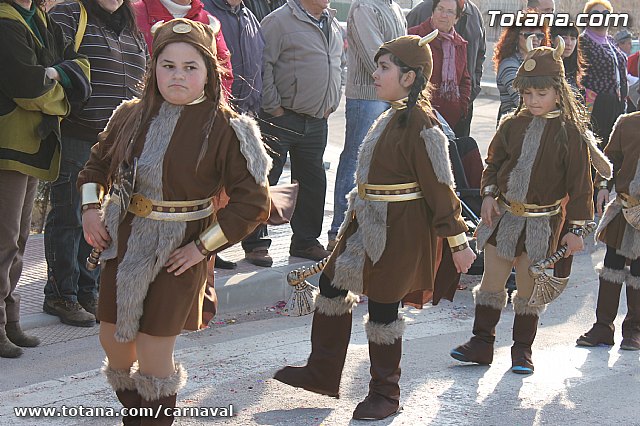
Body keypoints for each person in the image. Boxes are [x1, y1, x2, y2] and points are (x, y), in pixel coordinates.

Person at [273, 33, 476, 420]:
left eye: (385, 68)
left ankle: (386, 392)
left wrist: (458, 241)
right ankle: (322, 371)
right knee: (332, 286)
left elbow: (440, 185)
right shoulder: (391, 115)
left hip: (401, 232)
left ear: (410, 77)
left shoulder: (422, 122)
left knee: (385, 307)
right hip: (366, 225)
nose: (375, 73)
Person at [78, 18, 270, 423]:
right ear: (154, 69)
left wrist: (202, 247)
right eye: (168, 65)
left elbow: (253, 202)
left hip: (181, 250)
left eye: (190, 67)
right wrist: (91, 210)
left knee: (153, 349)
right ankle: (140, 415)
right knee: (113, 342)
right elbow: (95, 169)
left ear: (208, 73)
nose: (178, 75)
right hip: (124, 241)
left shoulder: (227, 128)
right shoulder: (130, 114)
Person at [450, 38, 612, 375]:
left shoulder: (570, 133)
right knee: (492, 282)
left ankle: (522, 350)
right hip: (506, 218)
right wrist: (490, 195)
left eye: (541, 94)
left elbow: (580, 188)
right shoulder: (512, 124)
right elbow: (492, 165)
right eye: (527, 94)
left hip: (543, 225)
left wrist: (576, 230)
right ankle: (481, 342)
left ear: (557, 91)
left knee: (528, 289)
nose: (533, 100)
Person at [43, 0, 147, 328]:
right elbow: (50, 66)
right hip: (77, 134)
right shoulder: (69, 14)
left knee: (103, 221)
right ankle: (61, 295)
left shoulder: (131, 26)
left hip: (117, 144)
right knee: (70, 216)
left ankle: (89, 289)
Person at [0, 0, 90, 358]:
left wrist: (55, 74)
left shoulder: (40, 17)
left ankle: (10, 320)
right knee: (4, 241)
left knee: (18, 240)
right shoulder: (6, 21)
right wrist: (60, 88)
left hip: (32, 145)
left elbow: (81, 67)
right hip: (8, 146)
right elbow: (27, 87)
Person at [251, 0, 344, 262]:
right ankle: (255, 242)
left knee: (313, 182)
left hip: (316, 120)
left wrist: (332, 102)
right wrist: (273, 107)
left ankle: (305, 242)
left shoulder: (332, 22)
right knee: (266, 179)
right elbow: (263, 64)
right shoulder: (278, 21)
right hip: (281, 118)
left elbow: (338, 64)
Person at [326, 0, 406, 252]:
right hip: (367, 97)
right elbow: (377, 56)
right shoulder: (363, 7)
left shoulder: (394, 7)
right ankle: (339, 231)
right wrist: (402, 79)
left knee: (380, 166)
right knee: (355, 162)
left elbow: (404, 50)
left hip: (393, 95)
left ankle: (366, 231)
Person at [576, 113, 640, 351]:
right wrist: (603, 187)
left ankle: (635, 330)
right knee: (612, 265)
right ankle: (603, 327)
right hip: (624, 209)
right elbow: (609, 160)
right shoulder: (627, 123)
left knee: (639, 271)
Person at [406, 0, 485, 138]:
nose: (444, 15)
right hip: (419, 116)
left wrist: (462, 105)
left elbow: (468, 73)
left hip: (454, 117)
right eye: (440, 9)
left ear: (456, 18)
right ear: (433, 11)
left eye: (450, 12)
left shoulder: (460, 41)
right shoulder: (415, 33)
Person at [133, 0, 233, 98]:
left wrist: (210, 108)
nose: (179, 76)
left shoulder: (208, 20)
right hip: (146, 109)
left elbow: (223, 72)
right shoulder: (135, 14)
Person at [579, 0, 627, 146]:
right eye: (595, 14)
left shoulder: (611, 41)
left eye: (606, 14)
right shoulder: (583, 41)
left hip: (617, 103)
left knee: (615, 148)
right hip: (595, 105)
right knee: (598, 148)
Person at [493, 18, 548, 124]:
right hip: (514, 126)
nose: (536, 39)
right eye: (528, 35)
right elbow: (521, 100)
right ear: (515, 37)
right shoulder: (509, 64)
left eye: (540, 35)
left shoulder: (540, 61)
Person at [550, 24, 583, 90]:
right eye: (564, 38)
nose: (569, 43)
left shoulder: (572, 69)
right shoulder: (545, 65)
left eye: (573, 39)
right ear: (552, 40)